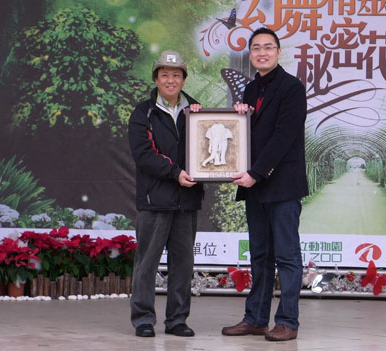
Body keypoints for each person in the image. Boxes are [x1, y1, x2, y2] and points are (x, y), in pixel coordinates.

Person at [221, 27, 308, 341]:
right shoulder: (249, 89)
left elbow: (284, 136)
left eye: (268, 47)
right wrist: (240, 117)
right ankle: (256, 319)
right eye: (256, 48)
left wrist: (256, 172)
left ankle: (287, 322)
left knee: (286, 256)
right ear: (251, 54)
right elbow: (248, 135)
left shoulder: (292, 87)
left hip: (281, 185)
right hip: (255, 186)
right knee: (259, 255)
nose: (262, 52)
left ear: (278, 52)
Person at [128, 50, 204, 338]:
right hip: (154, 202)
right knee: (147, 263)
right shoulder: (143, 112)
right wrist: (175, 173)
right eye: (164, 75)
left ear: (184, 79)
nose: (170, 80)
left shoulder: (197, 111)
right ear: (156, 79)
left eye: (176, 75)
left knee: (183, 264)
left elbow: (208, 148)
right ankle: (143, 319)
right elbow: (143, 154)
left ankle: (177, 320)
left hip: (187, 201)